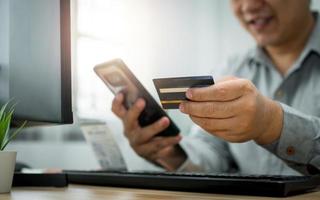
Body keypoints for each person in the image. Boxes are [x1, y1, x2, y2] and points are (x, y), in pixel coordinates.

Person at [111, 0, 320, 175]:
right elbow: (214, 152)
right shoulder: (229, 68)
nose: (248, 6)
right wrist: (168, 152)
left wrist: (272, 123)